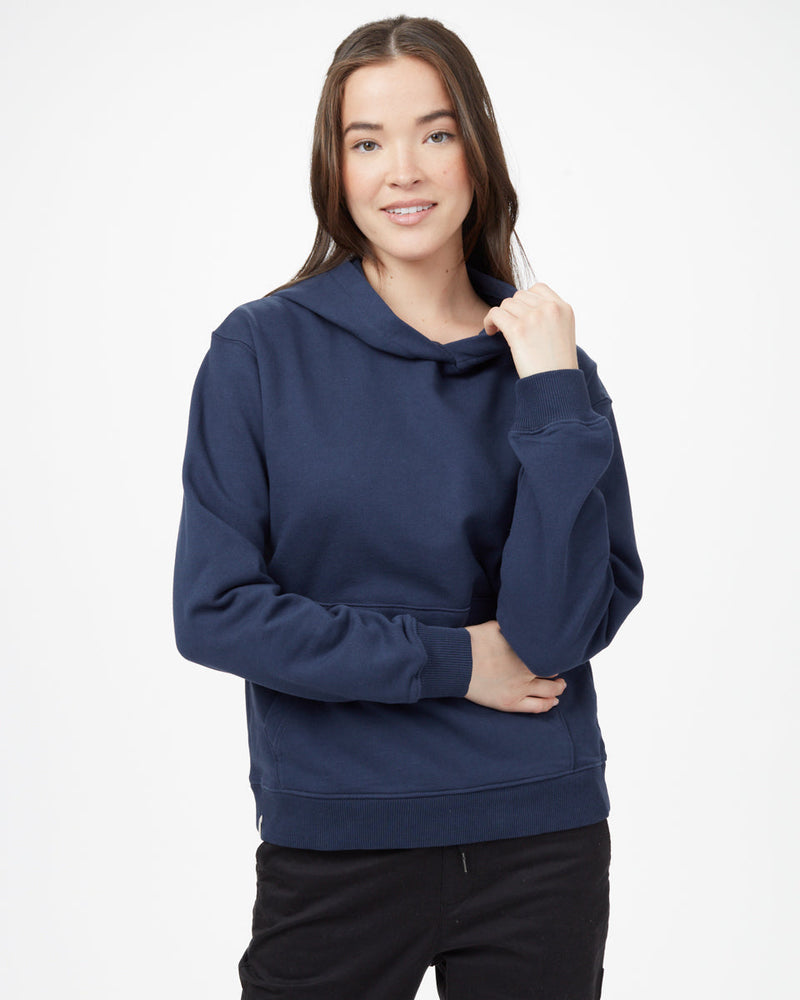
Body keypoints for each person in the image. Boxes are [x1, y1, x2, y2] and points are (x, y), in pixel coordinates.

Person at [172, 14, 644, 1000]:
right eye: (366, 142)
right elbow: (214, 611)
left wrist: (552, 392)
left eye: (435, 133)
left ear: (477, 149)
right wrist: (453, 661)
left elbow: (553, 636)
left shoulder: (555, 374)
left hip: (539, 841)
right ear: (334, 167)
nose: (403, 172)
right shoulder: (260, 353)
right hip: (337, 843)